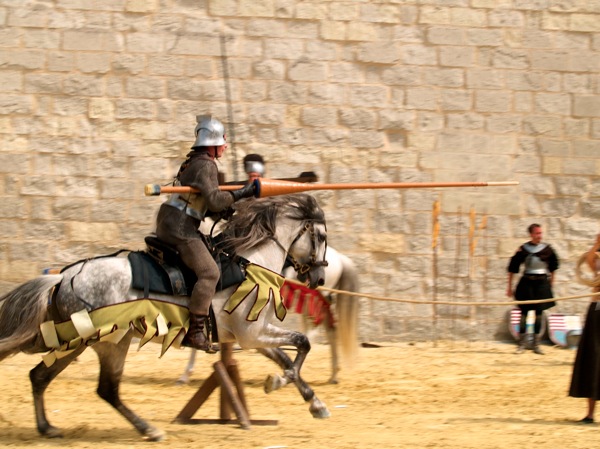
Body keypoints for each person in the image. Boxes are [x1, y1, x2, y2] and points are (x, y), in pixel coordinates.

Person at [155, 115, 256, 352]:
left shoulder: (195, 162)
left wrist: (225, 209)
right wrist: (243, 192)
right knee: (209, 272)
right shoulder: (206, 165)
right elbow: (214, 198)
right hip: (180, 228)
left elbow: (206, 203)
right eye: (222, 141)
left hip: (172, 221)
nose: (225, 146)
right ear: (211, 143)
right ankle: (196, 332)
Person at [506, 223, 559, 355]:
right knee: (524, 314)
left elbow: (553, 267)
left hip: (541, 284)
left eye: (540, 233)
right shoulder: (523, 249)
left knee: (539, 314)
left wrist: (551, 283)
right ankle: (522, 343)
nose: (539, 236)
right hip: (526, 283)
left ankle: (536, 343)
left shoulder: (547, 249)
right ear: (531, 234)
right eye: (537, 233)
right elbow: (512, 268)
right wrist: (509, 287)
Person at [568, 233, 600, 424]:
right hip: (597, 310)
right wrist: (596, 245)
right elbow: (589, 262)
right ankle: (590, 414)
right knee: (594, 358)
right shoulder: (596, 258)